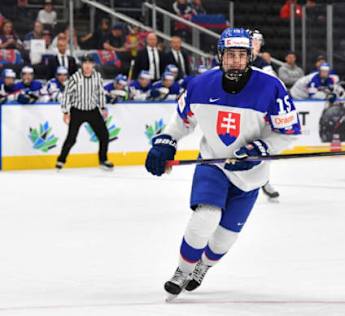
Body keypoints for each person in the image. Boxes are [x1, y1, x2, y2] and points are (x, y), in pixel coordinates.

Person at [145, 27, 301, 298]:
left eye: (241, 55)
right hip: (213, 163)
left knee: (224, 238)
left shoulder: (271, 87)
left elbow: (288, 132)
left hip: (251, 175)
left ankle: (203, 266)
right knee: (206, 216)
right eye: (230, 55)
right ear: (220, 55)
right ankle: (182, 270)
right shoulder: (200, 84)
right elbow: (181, 122)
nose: (235, 61)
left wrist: (261, 148)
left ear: (249, 57)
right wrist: (165, 141)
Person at [56, 55, 113, 171]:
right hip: (77, 111)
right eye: (85, 63)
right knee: (71, 138)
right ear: (82, 65)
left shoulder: (97, 77)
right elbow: (67, 94)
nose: (87, 65)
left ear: (93, 65)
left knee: (104, 135)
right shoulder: (75, 77)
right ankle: (61, 160)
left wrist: (102, 107)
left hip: (92, 110)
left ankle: (103, 160)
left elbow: (100, 93)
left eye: (89, 63)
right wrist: (65, 112)